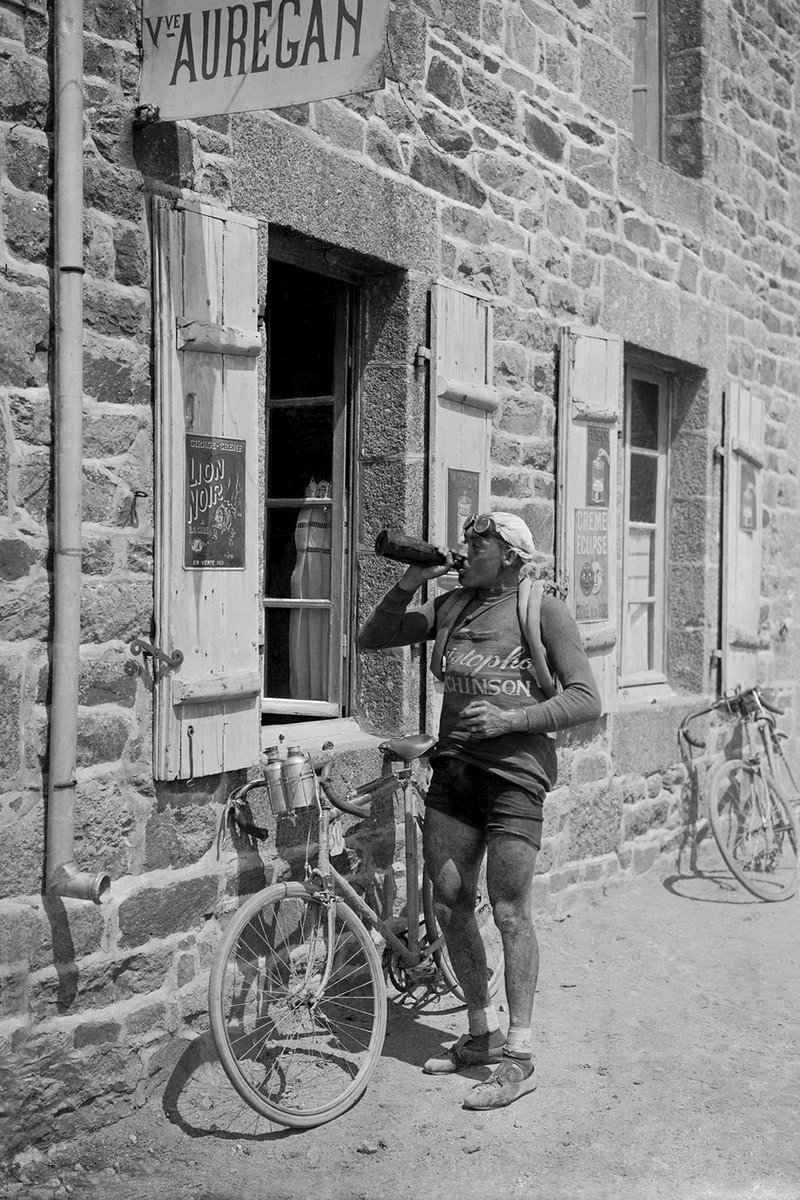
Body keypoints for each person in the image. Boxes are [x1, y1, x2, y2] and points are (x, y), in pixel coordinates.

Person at [358, 512, 601, 1110]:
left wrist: (511, 720)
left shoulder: (542, 611)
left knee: (511, 908)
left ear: (513, 556)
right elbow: (373, 637)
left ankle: (520, 1057)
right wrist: (411, 581)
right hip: (456, 772)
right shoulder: (451, 606)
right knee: (447, 901)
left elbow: (587, 698)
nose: (466, 550)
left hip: (516, 777)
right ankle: (479, 1033)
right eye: (466, 541)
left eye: (480, 543)